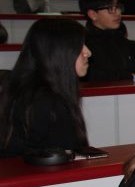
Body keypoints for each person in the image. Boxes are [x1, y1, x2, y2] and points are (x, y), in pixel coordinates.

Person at [0, 18, 91, 157]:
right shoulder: (48, 101)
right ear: (59, 51)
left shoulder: (20, 89)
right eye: (79, 46)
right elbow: (63, 157)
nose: (87, 52)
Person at [79, 0, 135, 81]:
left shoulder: (133, 47)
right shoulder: (83, 47)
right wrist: (127, 76)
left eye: (118, 7)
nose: (117, 12)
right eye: (110, 8)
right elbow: (92, 78)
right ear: (93, 14)